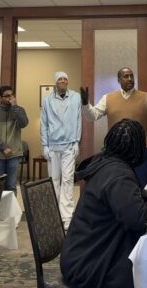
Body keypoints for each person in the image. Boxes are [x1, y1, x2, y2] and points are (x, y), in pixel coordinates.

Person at [60, 119, 147, 288]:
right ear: (135, 149)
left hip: (81, 252)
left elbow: (129, 199)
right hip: (89, 264)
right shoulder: (118, 174)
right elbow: (137, 218)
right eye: (144, 144)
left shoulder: (107, 163)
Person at [81, 67, 147, 185]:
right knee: (116, 186)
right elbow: (92, 116)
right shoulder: (108, 98)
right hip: (116, 153)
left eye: (131, 76)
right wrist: (85, 104)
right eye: (126, 76)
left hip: (139, 152)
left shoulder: (146, 97)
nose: (130, 79)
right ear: (118, 80)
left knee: (141, 185)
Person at [40, 71, 82, 230]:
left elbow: (78, 120)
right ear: (56, 82)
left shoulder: (76, 97)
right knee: (54, 180)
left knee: (68, 180)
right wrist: (45, 145)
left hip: (69, 145)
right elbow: (44, 124)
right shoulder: (47, 101)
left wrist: (76, 141)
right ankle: (54, 214)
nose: (63, 81)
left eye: (65, 79)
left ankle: (67, 216)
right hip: (53, 146)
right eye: (60, 79)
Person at [0, 85, 28, 195]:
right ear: (0, 98)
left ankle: (11, 207)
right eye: (7, 96)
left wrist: (15, 107)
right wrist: (3, 148)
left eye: (12, 95)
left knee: (11, 185)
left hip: (14, 154)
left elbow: (23, 123)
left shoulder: (19, 110)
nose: (10, 98)